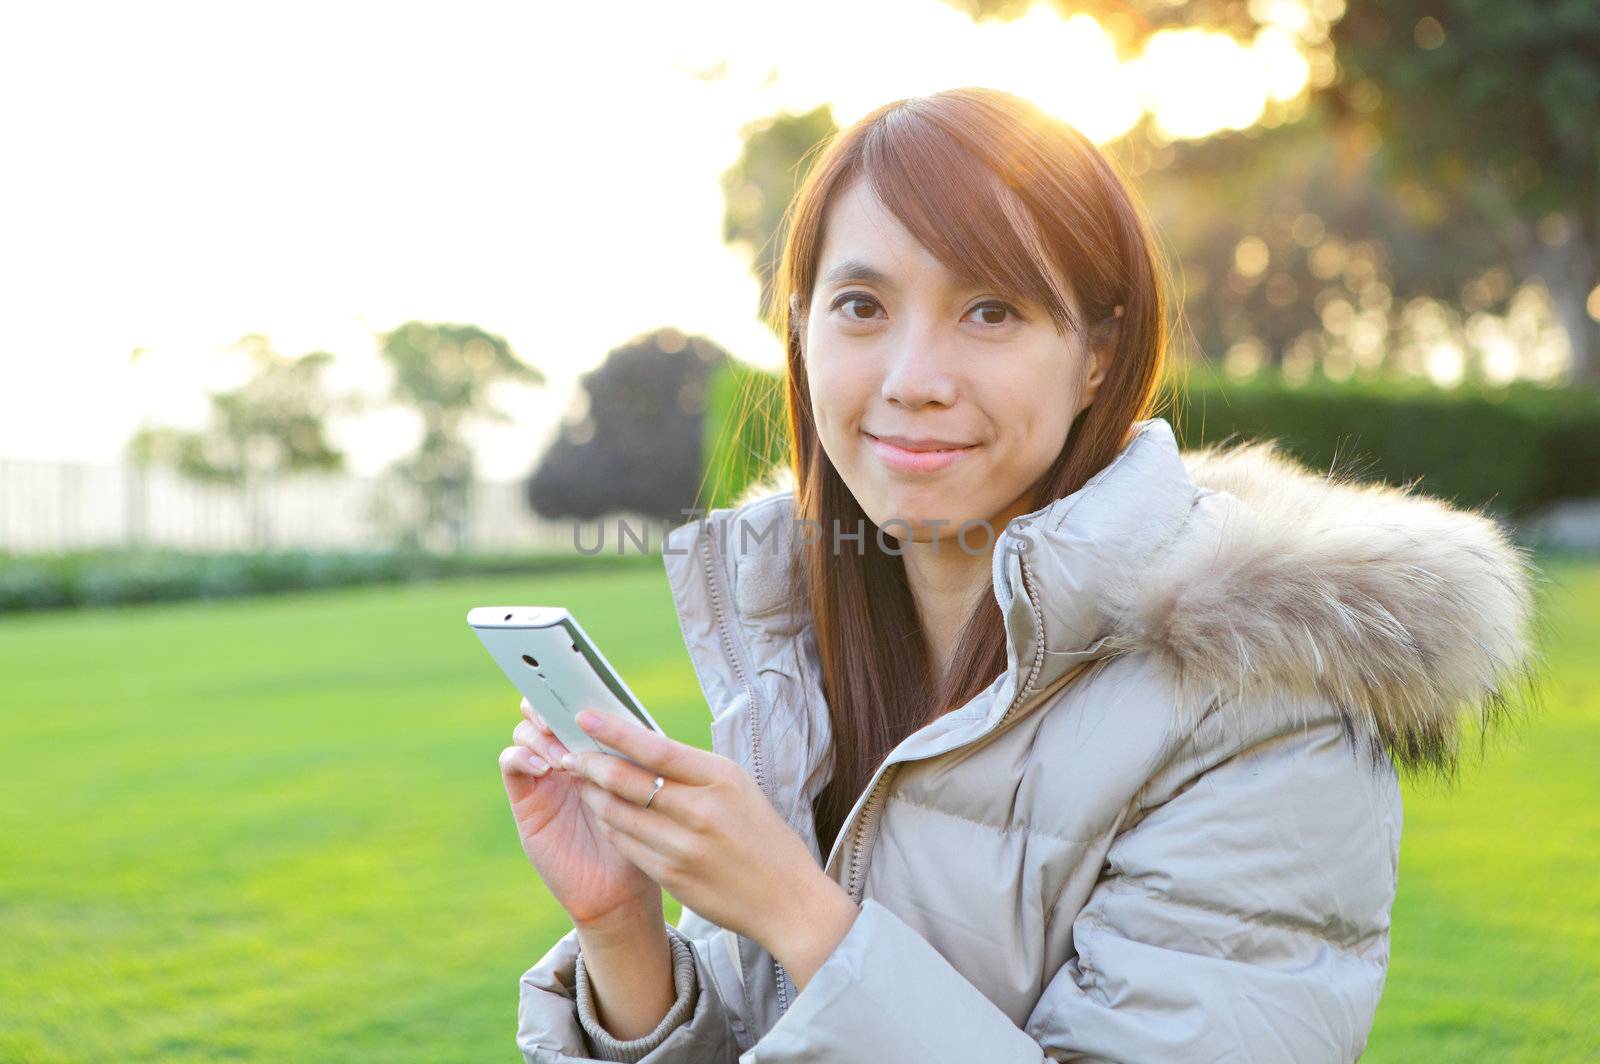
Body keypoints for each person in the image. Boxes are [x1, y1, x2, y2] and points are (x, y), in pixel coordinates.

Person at [498, 86, 1544, 1063]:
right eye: (860, 305)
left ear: (1097, 351)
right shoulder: (805, 641)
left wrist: (795, 910)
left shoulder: (1261, 702)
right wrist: (622, 929)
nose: (912, 380)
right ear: (801, 333)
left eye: (990, 309)